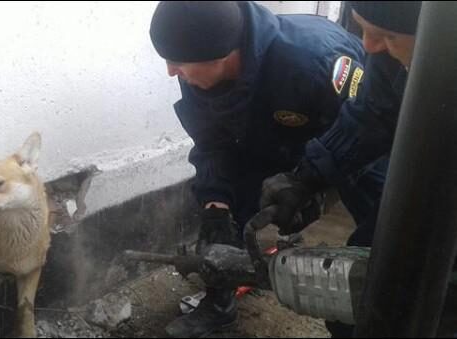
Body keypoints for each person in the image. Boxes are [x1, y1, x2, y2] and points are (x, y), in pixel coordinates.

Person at [149, 1, 384, 337]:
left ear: (222, 54)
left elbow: (366, 130)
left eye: (178, 62)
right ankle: (219, 304)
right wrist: (216, 205)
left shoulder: (314, 61)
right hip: (269, 136)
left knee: (383, 227)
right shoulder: (197, 64)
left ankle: (372, 319)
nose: (171, 71)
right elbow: (212, 142)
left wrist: (311, 184)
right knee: (227, 212)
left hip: (342, 135)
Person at [258, 1, 424, 336]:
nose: (367, 46)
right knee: (354, 291)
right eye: (360, 26)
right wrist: (306, 177)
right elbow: (372, 113)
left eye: (388, 36)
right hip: (423, 190)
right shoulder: (390, 59)